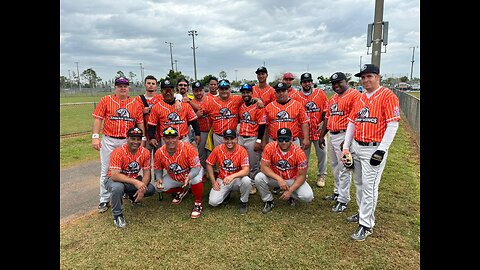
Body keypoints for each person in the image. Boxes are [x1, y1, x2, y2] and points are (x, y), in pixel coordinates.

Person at [341, 64, 401, 241]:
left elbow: (392, 124)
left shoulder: (388, 96)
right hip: (357, 146)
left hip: (374, 148)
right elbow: (352, 122)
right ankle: (362, 213)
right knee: (358, 183)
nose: (366, 80)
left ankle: (366, 224)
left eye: (370, 76)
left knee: (370, 186)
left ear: (378, 77)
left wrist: (381, 150)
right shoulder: (360, 98)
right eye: (363, 77)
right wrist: (346, 147)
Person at [92, 76, 146, 213]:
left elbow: (140, 122)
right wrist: (95, 137)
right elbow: (98, 118)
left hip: (127, 141)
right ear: (115, 87)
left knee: (128, 169)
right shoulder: (106, 100)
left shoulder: (135, 103)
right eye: (120, 86)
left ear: (128, 88)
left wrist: (143, 138)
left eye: (125, 86)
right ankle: (104, 199)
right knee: (106, 170)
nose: (123, 88)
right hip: (109, 140)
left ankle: (126, 192)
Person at [318, 72, 361, 212]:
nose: (336, 86)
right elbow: (327, 118)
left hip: (344, 136)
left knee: (344, 169)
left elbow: (357, 120)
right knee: (335, 166)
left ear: (346, 81)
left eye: (339, 83)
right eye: (334, 83)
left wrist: (348, 142)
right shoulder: (334, 98)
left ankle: (343, 199)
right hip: (333, 135)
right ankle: (337, 192)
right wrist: (322, 135)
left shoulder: (355, 96)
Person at [254, 128, 314, 213]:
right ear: (277, 139)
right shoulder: (270, 147)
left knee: (308, 197)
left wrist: (290, 190)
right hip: (275, 178)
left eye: (286, 139)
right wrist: (279, 179)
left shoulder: (299, 153)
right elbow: (264, 167)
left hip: (292, 179)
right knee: (259, 177)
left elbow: (302, 176)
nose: (284, 142)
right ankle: (268, 200)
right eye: (281, 139)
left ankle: (290, 195)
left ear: (291, 139)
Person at [107, 127, 156, 228]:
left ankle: (132, 197)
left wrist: (142, 189)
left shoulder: (145, 152)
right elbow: (115, 175)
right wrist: (135, 182)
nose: (136, 142)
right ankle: (118, 216)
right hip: (115, 180)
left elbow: (147, 173)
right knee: (117, 188)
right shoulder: (118, 152)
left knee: (150, 189)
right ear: (127, 138)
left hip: (132, 180)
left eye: (138, 139)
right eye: (132, 139)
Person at [154, 127, 205, 219]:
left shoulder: (189, 148)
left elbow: (196, 167)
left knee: (196, 179)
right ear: (163, 139)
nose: (170, 140)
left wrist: (189, 177)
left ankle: (198, 203)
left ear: (178, 137)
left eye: (173, 137)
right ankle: (181, 190)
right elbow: (158, 169)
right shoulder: (159, 152)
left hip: (190, 174)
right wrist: (159, 178)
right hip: (174, 176)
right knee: (158, 188)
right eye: (168, 138)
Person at [291, 72, 329, 188]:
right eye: (304, 82)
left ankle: (321, 175)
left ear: (312, 82)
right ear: (301, 83)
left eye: (309, 81)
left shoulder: (320, 93)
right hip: (303, 133)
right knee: (303, 157)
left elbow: (325, 110)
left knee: (322, 154)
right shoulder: (296, 96)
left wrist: (323, 122)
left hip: (318, 131)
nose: (307, 84)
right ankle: (303, 176)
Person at [201, 79, 263, 148]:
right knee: (219, 156)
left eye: (226, 89)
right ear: (218, 90)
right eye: (222, 89)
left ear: (229, 89)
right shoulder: (211, 102)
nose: (224, 91)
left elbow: (248, 97)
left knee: (234, 157)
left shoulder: (237, 99)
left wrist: (258, 100)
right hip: (218, 137)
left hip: (232, 137)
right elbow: (201, 111)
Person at [207, 129, 252, 214]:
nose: (229, 141)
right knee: (213, 202)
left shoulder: (242, 150)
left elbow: (246, 171)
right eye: (227, 139)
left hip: (237, 179)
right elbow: (209, 164)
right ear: (223, 139)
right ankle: (226, 193)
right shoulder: (218, 149)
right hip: (223, 179)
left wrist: (232, 176)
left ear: (236, 139)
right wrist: (213, 182)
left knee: (247, 180)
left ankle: (244, 201)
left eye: (232, 139)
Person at [147, 79, 201, 148]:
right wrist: (151, 138)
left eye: (170, 90)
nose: (168, 93)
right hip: (166, 140)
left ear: (174, 91)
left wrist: (197, 134)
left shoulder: (185, 105)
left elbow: (193, 121)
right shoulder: (156, 107)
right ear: (161, 92)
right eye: (165, 90)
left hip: (183, 139)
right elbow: (152, 125)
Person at [237, 83, 267, 194]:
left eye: (248, 92)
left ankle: (253, 184)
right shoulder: (241, 106)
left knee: (253, 163)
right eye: (243, 92)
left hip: (252, 138)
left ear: (251, 93)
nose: (245, 94)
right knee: (242, 162)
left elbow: (262, 125)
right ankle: (244, 182)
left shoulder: (259, 106)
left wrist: (259, 140)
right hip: (241, 137)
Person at [264, 81, 310, 149]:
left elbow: (304, 123)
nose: (281, 93)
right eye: (278, 91)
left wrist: (306, 138)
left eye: (283, 91)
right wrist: (264, 141)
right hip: (274, 142)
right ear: (275, 93)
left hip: (292, 141)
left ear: (287, 92)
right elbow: (265, 126)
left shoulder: (297, 105)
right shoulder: (268, 107)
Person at [189, 81, 212, 181]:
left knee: (211, 152)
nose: (199, 93)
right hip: (201, 131)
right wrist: (196, 115)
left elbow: (204, 110)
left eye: (200, 90)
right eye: (196, 91)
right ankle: (202, 173)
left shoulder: (210, 99)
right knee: (202, 153)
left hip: (212, 130)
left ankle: (213, 171)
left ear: (203, 90)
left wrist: (190, 102)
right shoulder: (190, 103)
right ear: (193, 91)